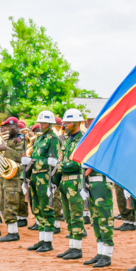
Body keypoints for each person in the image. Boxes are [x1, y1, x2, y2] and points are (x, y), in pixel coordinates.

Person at [24, 110, 61, 252]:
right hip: (35, 176)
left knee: (47, 209)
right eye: (40, 122)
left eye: (44, 122)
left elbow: (54, 161)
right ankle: (42, 240)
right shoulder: (39, 138)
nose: (41, 124)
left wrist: (35, 161)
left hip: (45, 177)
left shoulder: (53, 139)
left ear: (50, 124)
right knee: (37, 209)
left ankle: (48, 242)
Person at [55, 109, 86, 259]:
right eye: (64, 122)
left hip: (75, 181)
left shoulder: (83, 140)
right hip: (65, 181)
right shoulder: (67, 141)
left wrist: (59, 166)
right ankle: (72, 246)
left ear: (77, 123)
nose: (65, 125)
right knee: (67, 215)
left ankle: (77, 249)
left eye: (68, 122)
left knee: (76, 215)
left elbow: (79, 164)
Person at [0, 117, 23, 242]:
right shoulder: (6, 140)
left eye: (10, 127)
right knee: (3, 203)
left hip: (14, 175)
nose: (7, 129)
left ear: (17, 127)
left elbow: (21, 156)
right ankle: (10, 230)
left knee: (10, 203)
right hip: (4, 175)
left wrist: (5, 149)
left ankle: (13, 232)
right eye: (5, 127)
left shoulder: (21, 140)